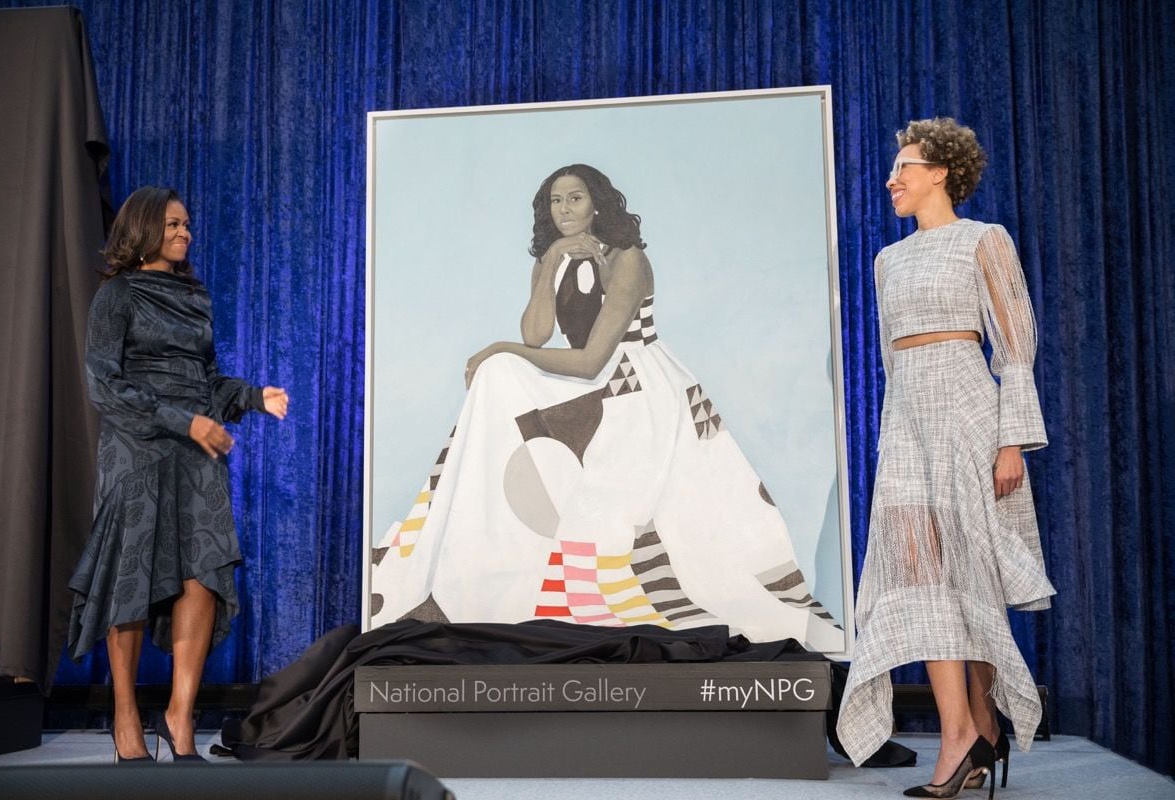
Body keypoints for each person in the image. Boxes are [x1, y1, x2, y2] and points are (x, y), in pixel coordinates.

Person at [368, 163, 844, 653]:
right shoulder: (550, 259)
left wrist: (499, 348)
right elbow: (536, 335)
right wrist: (550, 263)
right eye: (555, 201)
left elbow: (593, 359)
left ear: (597, 203)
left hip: (636, 386)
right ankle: (477, 549)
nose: (565, 209)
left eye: (575, 198)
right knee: (498, 376)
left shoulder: (627, 259)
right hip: (591, 382)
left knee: (502, 366)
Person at [836, 119, 1055, 797]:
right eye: (893, 167)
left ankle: (979, 729)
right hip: (907, 421)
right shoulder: (887, 260)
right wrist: (891, 434)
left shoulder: (983, 240)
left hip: (967, 409)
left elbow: (1014, 345)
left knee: (968, 575)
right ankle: (961, 732)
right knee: (919, 576)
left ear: (940, 174)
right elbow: (886, 357)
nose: (890, 179)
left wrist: (1011, 437)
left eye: (905, 167)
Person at [67, 187, 289, 762]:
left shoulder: (195, 296)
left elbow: (206, 379)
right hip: (139, 448)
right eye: (172, 224)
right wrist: (180, 421)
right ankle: (124, 718)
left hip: (197, 447)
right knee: (133, 578)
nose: (184, 232)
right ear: (142, 229)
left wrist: (250, 397)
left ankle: (179, 717)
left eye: (187, 223)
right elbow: (103, 384)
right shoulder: (116, 295)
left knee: (203, 572)